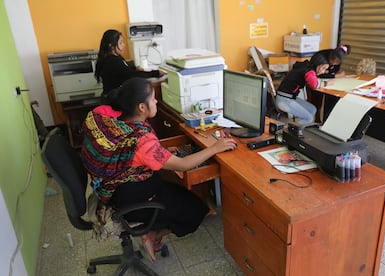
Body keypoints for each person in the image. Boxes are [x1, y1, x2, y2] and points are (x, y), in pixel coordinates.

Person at [81, 77, 237, 261]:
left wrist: (160, 153)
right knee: (197, 210)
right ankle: (153, 235)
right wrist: (215, 148)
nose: (156, 101)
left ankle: (151, 234)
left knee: (178, 192)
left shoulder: (114, 122)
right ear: (141, 107)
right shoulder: (142, 140)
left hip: (118, 190)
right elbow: (185, 164)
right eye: (153, 99)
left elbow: (136, 155)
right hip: (133, 201)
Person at [95, 29, 164, 96]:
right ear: (111, 46)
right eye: (120, 43)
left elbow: (123, 69)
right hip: (113, 99)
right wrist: (155, 73)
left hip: (112, 95)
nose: (124, 45)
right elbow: (132, 75)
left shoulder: (113, 57)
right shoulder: (112, 61)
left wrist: (135, 68)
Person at [275, 55, 333, 124]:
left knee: (312, 109)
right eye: (323, 68)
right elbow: (315, 85)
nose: (323, 71)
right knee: (309, 118)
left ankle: (298, 128)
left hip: (289, 97)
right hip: (284, 100)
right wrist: (327, 83)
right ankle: (291, 130)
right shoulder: (309, 71)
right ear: (318, 64)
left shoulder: (305, 65)